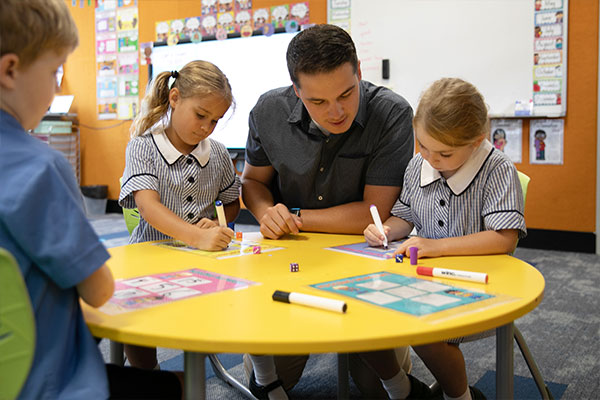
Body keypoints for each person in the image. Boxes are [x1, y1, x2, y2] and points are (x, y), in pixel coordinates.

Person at [0, 0, 182, 398]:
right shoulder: (40, 169)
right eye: (54, 72)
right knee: (171, 387)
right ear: (9, 70)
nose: (54, 88)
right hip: (47, 383)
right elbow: (98, 291)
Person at [241, 24, 420, 399]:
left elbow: (374, 212)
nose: (336, 112)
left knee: (373, 385)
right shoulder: (267, 111)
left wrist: (293, 215)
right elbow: (253, 183)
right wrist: (265, 211)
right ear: (296, 91)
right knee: (272, 379)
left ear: (358, 69)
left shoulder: (392, 113)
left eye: (346, 93)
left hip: (364, 257)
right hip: (289, 257)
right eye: (317, 102)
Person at [364, 77, 527, 400]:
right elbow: (404, 216)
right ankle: (401, 390)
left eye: (444, 153)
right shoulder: (417, 166)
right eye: (422, 145)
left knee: (425, 330)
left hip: (482, 284)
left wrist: (436, 247)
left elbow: (503, 239)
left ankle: (460, 396)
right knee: (365, 314)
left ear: (476, 142)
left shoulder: (497, 169)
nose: (430, 158)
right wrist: (385, 229)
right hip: (424, 278)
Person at [119, 59, 241, 369]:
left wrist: (216, 223)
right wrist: (197, 236)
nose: (206, 127)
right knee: (136, 318)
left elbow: (231, 203)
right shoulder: (143, 147)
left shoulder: (218, 153)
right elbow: (148, 206)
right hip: (149, 256)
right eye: (201, 115)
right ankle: (149, 377)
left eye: (215, 121)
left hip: (203, 260)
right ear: (175, 99)